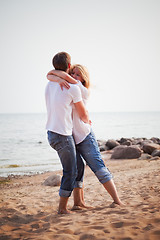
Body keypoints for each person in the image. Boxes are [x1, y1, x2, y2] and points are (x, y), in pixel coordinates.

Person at [47, 64, 124, 209]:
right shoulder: (67, 86)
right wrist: (56, 78)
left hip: (84, 135)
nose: (74, 77)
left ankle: (117, 200)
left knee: (98, 167)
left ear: (83, 78)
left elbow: (51, 74)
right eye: (73, 73)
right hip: (69, 136)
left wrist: (58, 76)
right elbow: (50, 75)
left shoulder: (80, 89)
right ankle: (78, 203)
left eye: (78, 75)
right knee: (78, 168)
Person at [45, 52, 90, 214]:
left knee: (79, 165)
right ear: (69, 66)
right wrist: (87, 121)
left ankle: (78, 202)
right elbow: (83, 114)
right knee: (70, 171)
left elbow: (50, 75)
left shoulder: (49, 83)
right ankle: (62, 208)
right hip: (62, 135)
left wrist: (55, 76)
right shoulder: (72, 88)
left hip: (52, 132)